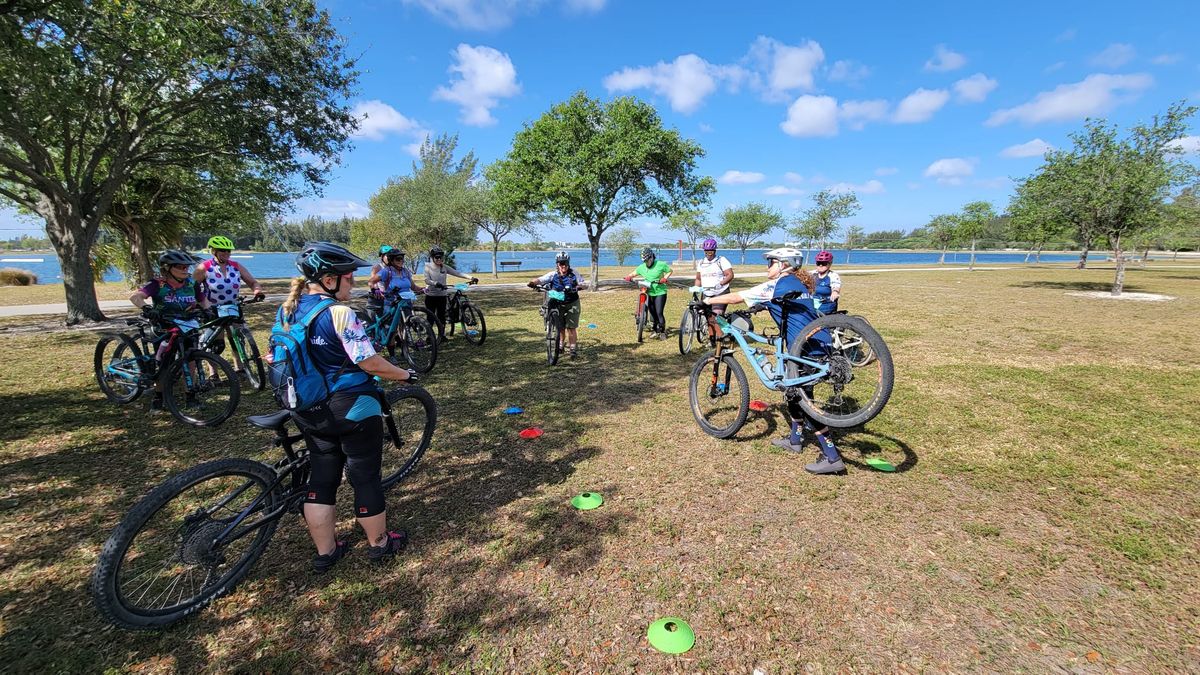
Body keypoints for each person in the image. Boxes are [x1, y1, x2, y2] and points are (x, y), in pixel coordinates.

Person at [281, 242, 418, 571]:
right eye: (348, 277)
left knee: (322, 478)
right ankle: (379, 543)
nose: (354, 283)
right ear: (329, 280)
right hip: (351, 405)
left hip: (309, 407)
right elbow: (369, 362)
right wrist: (403, 374)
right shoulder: (339, 313)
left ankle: (326, 552)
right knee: (364, 475)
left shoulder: (289, 309)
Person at [701, 247, 846, 475]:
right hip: (819, 342)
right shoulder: (799, 284)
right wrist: (761, 306)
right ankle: (795, 440)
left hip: (805, 347)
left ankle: (832, 456)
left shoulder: (778, 284)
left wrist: (709, 299)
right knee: (792, 394)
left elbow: (737, 296)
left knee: (804, 400)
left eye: (771, 263)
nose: (767, 267)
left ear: (783, 264)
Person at [129, 250, 211, 410]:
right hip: (165, 326)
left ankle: (190, 396)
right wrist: (146, 308)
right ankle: (159, 396)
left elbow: (203, 300)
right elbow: (135, 297)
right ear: (167, 268)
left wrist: (208, 310)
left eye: (186, 266)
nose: (185, 269)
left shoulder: (191, 283)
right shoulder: (157, 284)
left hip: (188, 325)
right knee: (165, 363)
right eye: (180, 267)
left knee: (191, 360)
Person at [527, 251, 588, 358]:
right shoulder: (553, 274)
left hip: (572, 302)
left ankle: (572, 348)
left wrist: (579, 287)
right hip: (557, 302)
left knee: (571, 327)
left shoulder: (574, 273)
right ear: (557, 264)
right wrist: (532, 283)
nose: (563, 265)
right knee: (560, 327)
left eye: (565, 263)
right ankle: (560, 345)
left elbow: (583, 284)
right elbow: (541, 280)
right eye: (560, 263)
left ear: (568, 263)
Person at [422, 246, 477, 343]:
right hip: (431, 296)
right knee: (430, 318)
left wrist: (471, 277)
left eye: (441, 258)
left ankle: (441, 335)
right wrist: (435, 283)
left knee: (441, 317)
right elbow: (426, 280)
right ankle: (429, 337)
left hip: (442, 296)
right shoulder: (428, 267)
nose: (439, 259)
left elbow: (457, 273)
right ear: (432, 257)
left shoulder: (444, 267)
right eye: (437, 257)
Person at [193, 235, 265, 306]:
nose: (226, 253)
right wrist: (200, 300)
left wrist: (257, 292)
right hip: (211, 311)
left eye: (228, 250)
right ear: (214, 251)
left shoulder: (236, 266)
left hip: (233, 308)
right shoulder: (204, 267)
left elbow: (252, 283)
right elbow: (191, 287)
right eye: (223, 250)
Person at [624, 247, 672, 339]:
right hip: (650, 292)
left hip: (660, 292)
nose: (646, 262)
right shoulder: (642, 267)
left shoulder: (660, 264)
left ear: (651, 257)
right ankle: (655, 330)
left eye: (647, 260)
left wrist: (664, 278)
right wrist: (629, 276)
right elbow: (634, 273)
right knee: (652, 313)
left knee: (659, 312)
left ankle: (662, 332)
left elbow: (670, 271)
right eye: (644, 261)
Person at [693, 237, 734, 316]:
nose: (708, 253)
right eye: (706, 251)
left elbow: (730, 275)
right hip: (706, 293)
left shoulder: (721, 260)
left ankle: (720, 326)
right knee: (704, 315)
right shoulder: (701, 262)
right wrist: (696, 289)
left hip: (720, 292)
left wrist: (721, 283)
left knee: (716, 315)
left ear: (715, 250)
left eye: (711, 251)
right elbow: (698, 279)